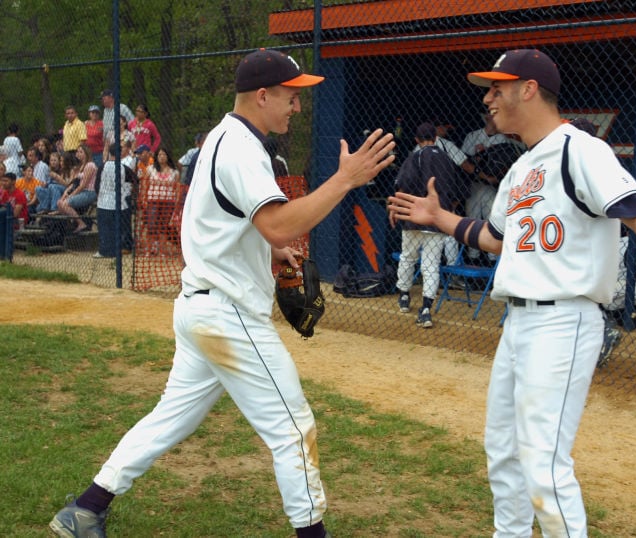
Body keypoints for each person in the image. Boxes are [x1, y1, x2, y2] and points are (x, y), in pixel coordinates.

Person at [49, 48, 395, 538]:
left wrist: (268, 252)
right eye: (291, 96)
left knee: (170, 418)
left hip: (203, 307)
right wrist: (344, 179)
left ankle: (85, 508)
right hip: (228, 316)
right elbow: (275, 220)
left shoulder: (224, 137)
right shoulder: (239, 146)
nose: (297, 106)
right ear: (262, 95)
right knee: (294, 428)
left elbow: (224, 220)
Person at [388, 48, 636, 538]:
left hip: (564, 320)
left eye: (496, 87)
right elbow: (496, 238)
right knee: (504, 453)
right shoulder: (523, 166)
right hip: (519, 321)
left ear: (528, 89)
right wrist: (441, 218)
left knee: (544, 466)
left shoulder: (581, 150)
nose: (488, 98)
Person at [389, 122, 456, 328]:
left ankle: (404, 296)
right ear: (436, 138)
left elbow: (402, 184)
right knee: (431, 265)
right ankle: (426, 308)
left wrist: (395, 208)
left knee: (408, 257)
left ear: (417, 140)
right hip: (437, 218)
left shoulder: (414, 156)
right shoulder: (446, 158)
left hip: (413, 215)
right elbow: (455, 188)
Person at [461, 111, 524, 261]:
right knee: (473, 220)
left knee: (493, 221)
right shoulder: (473, 136)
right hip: (474, 185)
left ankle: (492, 260)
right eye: (490, 116)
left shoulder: (503, 139)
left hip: (494, 187)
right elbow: (464, 161)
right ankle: (473, 258)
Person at [94, 143, 134, 258]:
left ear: (110, 153)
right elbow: (135, 179)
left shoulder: (103, 166)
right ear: (120, 154)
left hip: (103, 202)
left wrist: (99, 195)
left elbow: (97, 185)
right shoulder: (123, 168)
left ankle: (104, 250)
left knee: (104, 228)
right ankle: (117, 249)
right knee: (116, 228)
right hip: (118, 203)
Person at [139, 146, 180, 256]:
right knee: (151, 225)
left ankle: (162, 250)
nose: (162, 157)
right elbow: (144, 184)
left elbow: (176, 188)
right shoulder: (150, 169)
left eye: (164, 154)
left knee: (164, 226)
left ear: (168, 156)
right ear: (156, 157)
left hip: (168, 202)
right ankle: (149, 249)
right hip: (153, 200)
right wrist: (144, 198)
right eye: (159, 155)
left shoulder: (174, 172)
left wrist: (176, 203)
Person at [57, 144, 97, 234]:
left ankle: (81, 223)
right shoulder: (82, 166)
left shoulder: (90, 165)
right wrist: (66, 194)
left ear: (86, 153)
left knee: (65, 204)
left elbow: (83, 185)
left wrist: (71, 195)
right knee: (60, 203)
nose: (78, 154)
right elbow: (74, 182)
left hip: (89, 192)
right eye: (77, 152)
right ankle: (70, 225)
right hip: (81, 191)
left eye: (81, 152)